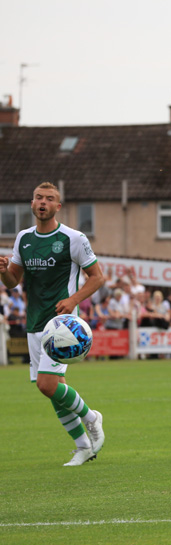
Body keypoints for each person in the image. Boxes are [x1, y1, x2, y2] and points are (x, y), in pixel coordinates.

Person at [0, 182, 106, 466]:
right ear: (32, 204)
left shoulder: (74, 238)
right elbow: (13, 281)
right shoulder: (23, 238)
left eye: (49, 199)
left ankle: (91, 417)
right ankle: (83, 447)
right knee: (53, 389)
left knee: (46, 385)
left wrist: (73, 300)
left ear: (58, 207)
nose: (43, 202)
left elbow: (97, 277)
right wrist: (4, 272)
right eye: (38, 198)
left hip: (62, 325)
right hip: (35, 322)